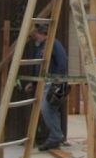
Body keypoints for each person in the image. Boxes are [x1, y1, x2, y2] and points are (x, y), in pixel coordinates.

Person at [27, 23, 69, 151]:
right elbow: (39, 67)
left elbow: (62, 62)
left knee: (47, 109)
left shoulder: (53, 44)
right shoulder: (41, 47)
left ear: (43, 33)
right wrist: (33, 83)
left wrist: (58, 82)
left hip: (55, 82)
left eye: (36, 35)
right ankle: (56, 136)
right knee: (51, 110)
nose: (35, 38)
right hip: (48, 82)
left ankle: (55, 137)